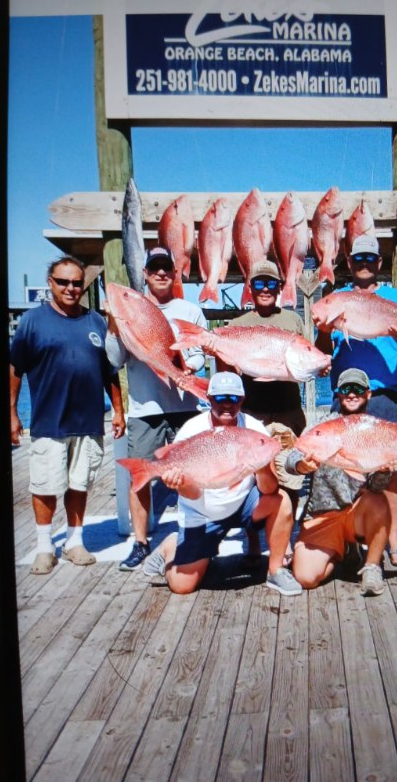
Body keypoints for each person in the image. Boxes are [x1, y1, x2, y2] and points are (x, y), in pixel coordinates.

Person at [10, 255, 125, 575]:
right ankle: (45, 547)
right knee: (45, 485)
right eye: (63, 282)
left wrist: (118, 410)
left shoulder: (96, 322)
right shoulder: (32, 321)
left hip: (88, 422)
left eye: (77, 282)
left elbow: (110, 371)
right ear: (51, 283)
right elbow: (15, 369)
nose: (71, 288)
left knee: (79, 484)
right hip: (48, 421)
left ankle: (74, 542)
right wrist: (12, 414)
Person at [141, 372, 303, 596]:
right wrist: (179, 483)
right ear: (209, 399)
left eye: (234, 399)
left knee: (281, 500)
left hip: (244, 506)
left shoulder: (254, 430)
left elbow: (269, 490)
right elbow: (192, 494)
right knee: (181, 586)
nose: (227, 404)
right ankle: (171, 545)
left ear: (243, 400)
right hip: (202, 514)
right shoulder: (191, 430)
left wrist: (263, 466)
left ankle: (275, 571)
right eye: (220, 398)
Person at [314, 234, 397, 568]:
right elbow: (322, 351)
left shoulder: (395, 297)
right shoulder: (337, 298)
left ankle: (394, 537)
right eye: (358, 259)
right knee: (344, 467)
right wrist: (325, 332)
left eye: (369, 259)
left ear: (379, 263)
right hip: (346, 395)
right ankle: (354, 534)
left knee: (390, 469)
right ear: (350, 262)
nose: (363, 264)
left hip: (385, 394)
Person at [105, 245, 207, 571]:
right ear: (145, 274)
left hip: (185, 407)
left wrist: (187, 368)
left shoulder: (189, 310)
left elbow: (200, 352)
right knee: (140, 477)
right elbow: (114, 359)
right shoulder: (133, 307)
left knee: (190, 474)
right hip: (143, 410)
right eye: (155, 268)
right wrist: (112, 325)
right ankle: (140, 542)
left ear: (174, 274)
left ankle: (193, 534)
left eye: (167, 268)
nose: (161, 273)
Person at [219, 259, 308, 559]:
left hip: (288, 412)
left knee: (290, 477)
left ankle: (285, 539)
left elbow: (304, 362)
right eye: (259, 283)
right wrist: (217, 352)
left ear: (281, 288)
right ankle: (253, 541)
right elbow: (227, 372)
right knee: (253, 480)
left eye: (272, 283)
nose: (266, 288)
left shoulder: (293, 321)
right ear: (250, 288)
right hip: (252, 414)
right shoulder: (235, 326)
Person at [286, 368, 397, 596]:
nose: (352, 394)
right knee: (306, 578)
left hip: (356, 513)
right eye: (346, 389)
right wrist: (300, 466)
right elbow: (293, 457)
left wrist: (385, 471)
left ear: (368, 394)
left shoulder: (376, 429)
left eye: (358, 389)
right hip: (321, 516)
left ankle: (372, 567)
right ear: (338, 394)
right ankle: (344, 552)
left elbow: (376, 486)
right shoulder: (323, 425)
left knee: (379, 500)